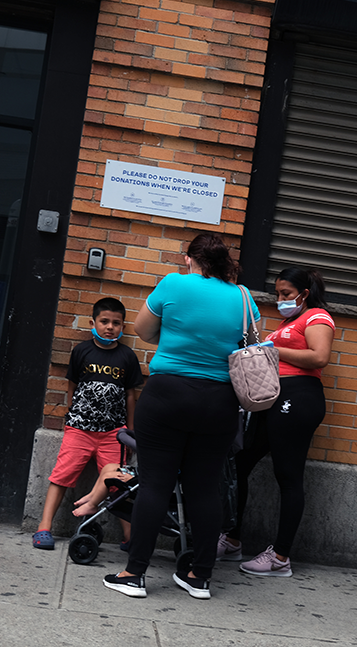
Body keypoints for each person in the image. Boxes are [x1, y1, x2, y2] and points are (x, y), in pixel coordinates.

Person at [102, 232, 258, 600]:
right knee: (205, 487)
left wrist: (177, 335)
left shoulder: (173, 283)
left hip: (168, 393)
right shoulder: (243, 295)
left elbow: (142, 330)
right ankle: (199, 576)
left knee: (155, 482)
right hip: (219, 401)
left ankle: (134, 574)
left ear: (190, 259)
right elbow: (251, 343)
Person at [219, 267, 335, 578]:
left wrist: (273, 349)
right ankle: (231, 539)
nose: (280, 300)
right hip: (272, 398)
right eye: (278, 294)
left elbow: (320, 357)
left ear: (304, 293)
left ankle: (281, 556)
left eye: (285, 294)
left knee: (288, 475)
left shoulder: (317, 316)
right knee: (240, 464)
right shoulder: (289, 322)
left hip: (298, 398)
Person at [32, 297, 142, 550]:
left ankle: (131, 537)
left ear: (123, 327)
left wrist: (129, 431)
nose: (110, 327)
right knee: (61, 476)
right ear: (93, 322)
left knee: (119, 483)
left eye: (116, 323)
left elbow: (130, 396)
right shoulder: (81, 351)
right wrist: (72, 415)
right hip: (79, 430)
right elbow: (72, 385)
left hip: (114, 434)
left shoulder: (127, 356)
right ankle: (44, 528)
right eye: (104, 321)